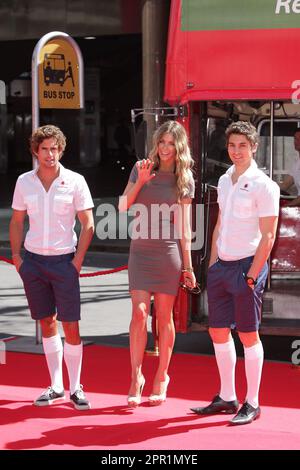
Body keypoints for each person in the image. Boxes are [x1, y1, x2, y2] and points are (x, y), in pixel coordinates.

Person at [191, 121, 280, 425]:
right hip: (222, 267)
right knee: (217, 331)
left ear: (254, 147)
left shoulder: (265, 185)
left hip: (246, 267)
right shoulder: (225, 181)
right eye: (232, 145)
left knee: (248, 335)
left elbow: (269, 236)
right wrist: (213, 263)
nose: (237, 151)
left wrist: (253, 275)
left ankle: (252, 402)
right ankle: (227, 396)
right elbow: (219, 226)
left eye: (243, 145)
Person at [9, 125, 94, 410]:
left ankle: (76, 387)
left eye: (54, 148)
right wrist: (18, 258)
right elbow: (17, 221)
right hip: (32, 262)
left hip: (64, 262)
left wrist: (77, 261)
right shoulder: (24, 182)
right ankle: (56, 386)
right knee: (46, 322)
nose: (50, 154)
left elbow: (88, 224)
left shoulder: (75, 181)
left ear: (61, 149)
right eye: (44, 149)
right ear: (35, 151)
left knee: (70, 325)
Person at [119, 120, 196, 407]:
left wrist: (187, 267)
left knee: (164, 318)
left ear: (179, 148)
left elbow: (184, 229)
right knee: (139, 314)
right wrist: (140, 180)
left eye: (170, 144)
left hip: (167, 253)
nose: (165, 148)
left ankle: (162, 375)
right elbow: (123, 206)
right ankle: (135, 376)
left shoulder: (184, 179)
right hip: (140, 251)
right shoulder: (142, 168)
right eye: (161, 142)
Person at [279, 129, 300, 206]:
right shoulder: (297, 163)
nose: (296, 141)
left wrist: (288, 206)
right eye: (295, 138)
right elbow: (285, 185)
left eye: (299, 138)